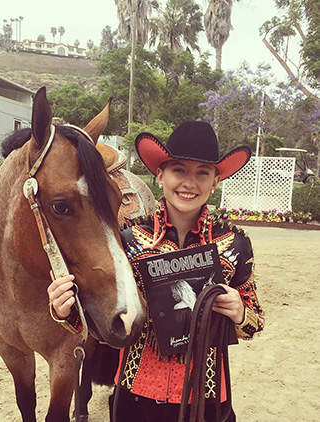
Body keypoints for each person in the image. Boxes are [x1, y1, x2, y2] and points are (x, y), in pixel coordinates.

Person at [47, 121, 265, 422]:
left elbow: (255, 322)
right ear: (160, 175)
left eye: (202, 172)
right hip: (135, 397)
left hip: (207, 400)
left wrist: (240, 311)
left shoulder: (234, 243)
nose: (190, 182)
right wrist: (64, 310)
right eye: (179, 170)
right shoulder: (127, 240)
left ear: (215, 181)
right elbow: (94, 321)